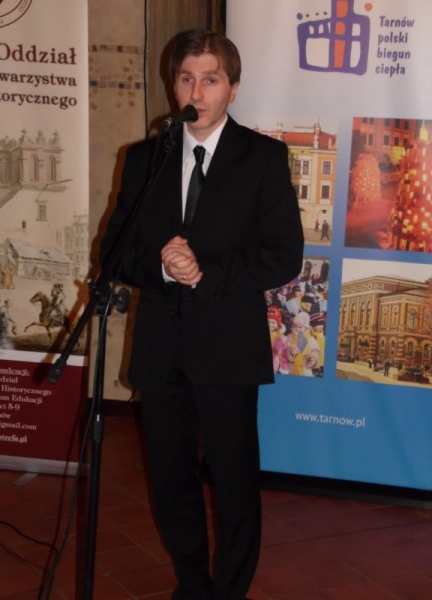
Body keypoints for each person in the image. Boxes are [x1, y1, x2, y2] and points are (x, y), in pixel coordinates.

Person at [100, 29, 304, 600]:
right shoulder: (146, 158)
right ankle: (192, 585)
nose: (197, 91)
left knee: (234, 483)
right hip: (161, 347)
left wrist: (205, 270)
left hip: (228, 348)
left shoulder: (262, 158)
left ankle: (230, 591)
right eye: (187, 78)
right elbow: (113, 252)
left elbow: (283, 255)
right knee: (171, 482)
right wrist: (163, 267)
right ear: (174, 86)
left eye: (210, 79)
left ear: (233, 88)